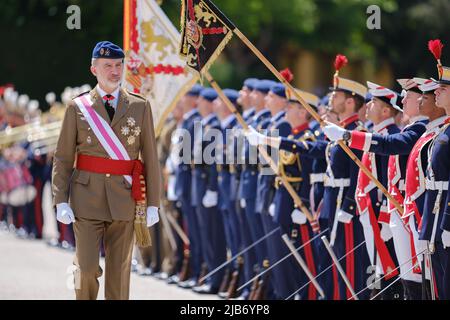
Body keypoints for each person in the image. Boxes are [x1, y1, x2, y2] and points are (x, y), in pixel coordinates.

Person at [52, 41, 161, 300]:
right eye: (108, 66)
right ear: (94, 70)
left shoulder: (139, 106)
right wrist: (60, 200)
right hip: (86, 198)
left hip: (124, 198)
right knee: (86, 268)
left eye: (118, 65)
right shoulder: (77, 108)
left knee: (120, 271)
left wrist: (154, 203)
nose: (114, 71)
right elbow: (63, 158)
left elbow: (151, 158)